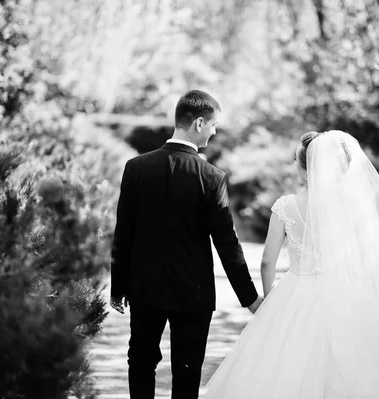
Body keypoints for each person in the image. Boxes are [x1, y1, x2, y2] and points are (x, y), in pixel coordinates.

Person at [203, 130, 379, 398]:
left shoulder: (285, 206)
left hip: (297, 293)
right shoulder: (354, 207)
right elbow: (369, 255)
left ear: (304, 168)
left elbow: (266, 262)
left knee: (284, 366)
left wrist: (270, 298)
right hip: (347, 292)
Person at [110, 89, 264, 399]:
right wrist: (249, 298)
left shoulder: (136, 168)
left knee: (140, 362)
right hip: (192, 293)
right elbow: (227, 243)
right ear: (197, 123)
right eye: (212, 124)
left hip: (144, 288)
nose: (214, 131)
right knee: (187, 369)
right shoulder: (211, 177)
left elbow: (123, 231)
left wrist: (119, 285)